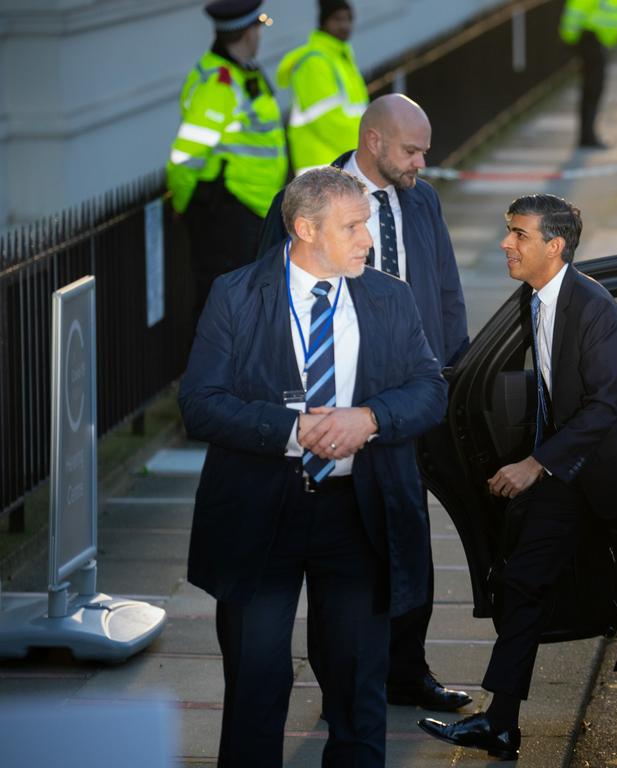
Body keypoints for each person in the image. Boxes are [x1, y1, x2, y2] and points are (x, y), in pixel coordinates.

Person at [417, 194, 617, 761]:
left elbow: (605, 405)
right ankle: (500, 723)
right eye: (507, 231)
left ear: (555, 246)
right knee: (522, 579)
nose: (506, 244)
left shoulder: (593, 306)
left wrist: (533, 464)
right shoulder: (534, 299)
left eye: (519, 235)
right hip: (570, 471)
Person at [179, 166, 447, 767]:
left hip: (357, 514)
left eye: (367, 225)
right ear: (304, 228)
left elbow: (430, 389)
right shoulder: (236, 294)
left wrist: (370, 419)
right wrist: (292, 430)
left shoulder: (388, 296)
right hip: (260, 511)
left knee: (358, 686)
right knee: (256, 680)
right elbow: (199, 403)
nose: (367, 240)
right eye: (352, 227)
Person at [258, 94, 472, 712]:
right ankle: (344, 685)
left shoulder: (422, 199)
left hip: (411, 394)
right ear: (373, 142)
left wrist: (450, 376)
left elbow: (446, 288)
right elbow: (268, 294)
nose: (421, 162)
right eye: (411, 150)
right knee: (347, 547)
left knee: (411, 537)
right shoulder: (308, 200)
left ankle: (407, 670)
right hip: (337, 396)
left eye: (424, 150)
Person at [167, 0, 287, 320]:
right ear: (248, 32)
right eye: (258, 28)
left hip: (255, 209)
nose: (260, 35)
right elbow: (185, 156)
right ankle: (213, 371)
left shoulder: (243, 73)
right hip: (228, 212)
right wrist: (184, 205)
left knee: (246, 306)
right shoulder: (218, 83)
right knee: (222, 309)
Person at [277, 0, 369, 174]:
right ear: (323, 22)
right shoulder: (314, 62)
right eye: (337, 19)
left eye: (348, 19)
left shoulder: (340, 58)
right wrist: (369, 148)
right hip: (322, 170)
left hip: (340, 165)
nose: (345, 25)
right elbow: (328, 121)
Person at [559, 0, 617, 149]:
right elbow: (575, 11)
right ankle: (587, 136)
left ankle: (588, 134)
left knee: (594, 89)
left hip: (598, 41)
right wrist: (570, 37)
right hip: (591, 39)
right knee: (592, 89)